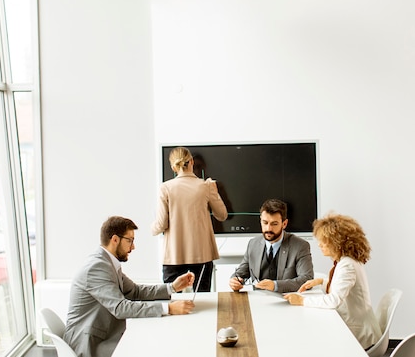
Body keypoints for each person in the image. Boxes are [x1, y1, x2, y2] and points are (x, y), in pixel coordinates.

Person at [63, 216, 195, 357]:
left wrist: (172, 287)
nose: (133, 246)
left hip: (103, 335)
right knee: (150, 347)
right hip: (90, 344)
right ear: (115, 239)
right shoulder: (97, 267)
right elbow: (120, 308)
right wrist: (168, 308)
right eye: (130, 240)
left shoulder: (107, 263)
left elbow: (135, 292)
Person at [283, 213, 381, 350]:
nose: (319, 244)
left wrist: (301, 301)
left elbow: (333, 300)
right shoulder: (348, 261)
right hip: (360, 327)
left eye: (324, 241)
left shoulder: (347, 265)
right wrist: (320, 281)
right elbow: (344, 286)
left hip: (359, 335)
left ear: (337, 242)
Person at [152, 146, 228, 292]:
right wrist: (214, 191)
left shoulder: (165, 188)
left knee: (173, 300)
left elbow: (161, 224)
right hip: (202, 255)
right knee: (203, 300)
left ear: (173, 167)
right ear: (191, 161)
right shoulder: (206, 186)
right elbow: (222, 215)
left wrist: (151, 228)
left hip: (174, 254)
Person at [228, 198, 314, 293]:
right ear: (260, 220)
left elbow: (307, 280)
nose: (268, 228)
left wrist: (275, 285)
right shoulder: (253, 244)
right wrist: (234, 280)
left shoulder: (300, 246)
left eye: (274, 224)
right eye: (265, 223)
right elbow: (241, 273)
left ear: (284, 224)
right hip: (259, 302)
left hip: (287, 303)